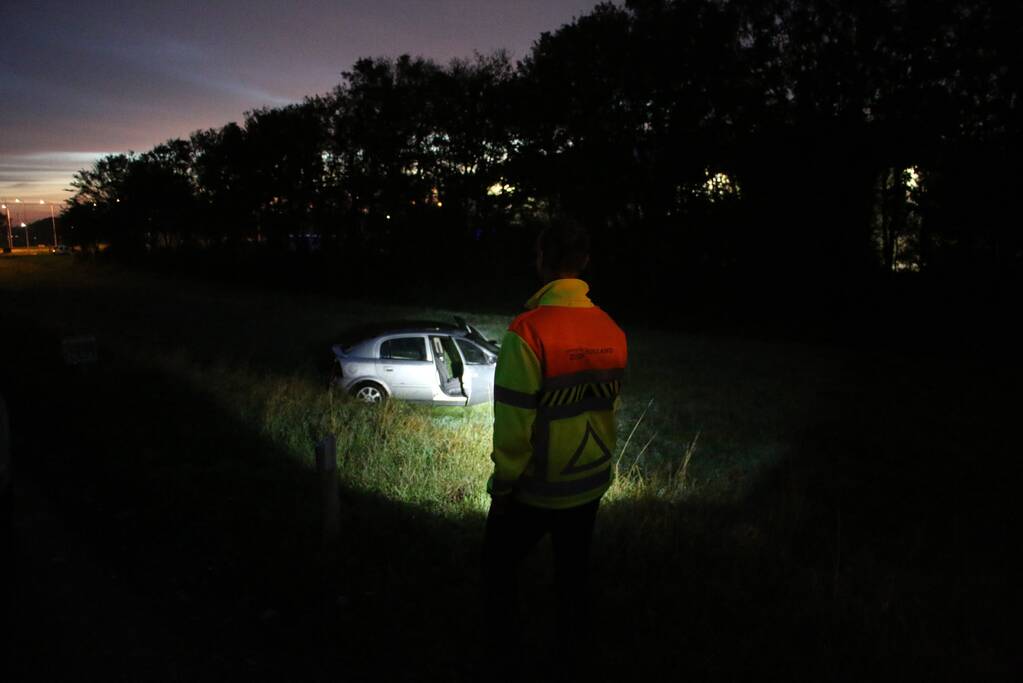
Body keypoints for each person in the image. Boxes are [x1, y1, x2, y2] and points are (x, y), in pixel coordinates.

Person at [481, 219, 627, 673]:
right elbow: (606, 406)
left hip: (536, 487)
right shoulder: (611, 329)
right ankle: (571, 655)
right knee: (573, 576)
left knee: (496, 567)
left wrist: (503, 485)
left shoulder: (528, 331)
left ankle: (504, 655)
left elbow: (513, 422)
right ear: (583, 263)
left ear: (542, 260)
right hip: (590, 483)